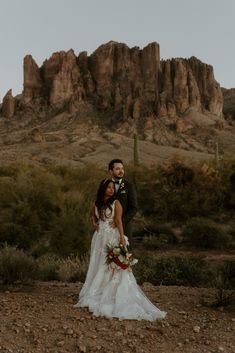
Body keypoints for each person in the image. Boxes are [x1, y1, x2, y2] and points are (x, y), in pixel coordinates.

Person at [74, 179, 166, 321]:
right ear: (103, 188)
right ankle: (97, 289)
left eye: (113, 188)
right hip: (99, 238)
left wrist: (122, 237)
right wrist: (95, 223)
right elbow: (93, 216)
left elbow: (118, 221)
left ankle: (110, 292)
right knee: (98, 263)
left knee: (110, 265)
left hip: (111, 236)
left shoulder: (116, 203)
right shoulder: (96, 203)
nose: (111, 190)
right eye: (108, 187)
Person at [108, 159, 138, 249]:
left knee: (125, 256)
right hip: (108, 228)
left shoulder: (129, 186)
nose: (121, 171)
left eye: (122, 169)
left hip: (125, 227)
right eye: (117, 169)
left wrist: (119, 222)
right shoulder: (105, 185)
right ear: (111, 171)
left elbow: (134, 208)